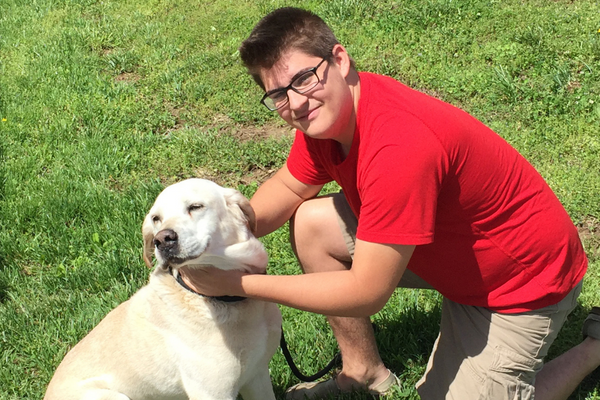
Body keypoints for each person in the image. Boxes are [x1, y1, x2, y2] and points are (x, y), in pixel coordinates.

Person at [180, 7, 600, 400]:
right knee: (312, 222)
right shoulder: (331, 118)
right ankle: (362, 370)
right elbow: (290, 187)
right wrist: (212, 233)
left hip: (520, 283)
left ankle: (593, 348)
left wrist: (234, 283)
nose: (296, 102)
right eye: (278, 95)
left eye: (304, 78)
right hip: (446, 246)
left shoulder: (398, 146)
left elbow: (367, 292)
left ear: (339, 60)